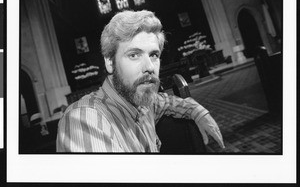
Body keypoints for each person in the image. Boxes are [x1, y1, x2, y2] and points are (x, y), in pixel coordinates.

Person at [56, 10, 225, 152]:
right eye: (134, 55)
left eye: (154, 55)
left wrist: (197, 111)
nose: (150, 67)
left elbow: (165, 101)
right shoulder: (84, 119)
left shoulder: (143, 102)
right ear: (109, 61)